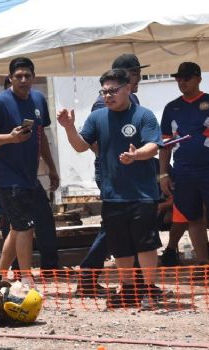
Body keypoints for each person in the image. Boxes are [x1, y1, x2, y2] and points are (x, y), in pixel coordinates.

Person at [57, 68, 163, 309]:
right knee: (120, 245)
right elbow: (81, 147)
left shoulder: (144, 115)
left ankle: (147, 289)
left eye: (113, 91)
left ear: (127, 88)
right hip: (112, 194)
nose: (108, 96)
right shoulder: (97, 118)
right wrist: (68, 127)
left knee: (146, 244)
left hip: (142, 194)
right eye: (104, 91)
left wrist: (137, 156)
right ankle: (127, 290)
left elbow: (153, 146)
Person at [77, 54, 147, 297]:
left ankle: (139, 282)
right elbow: (96, 140)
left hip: (133, 169)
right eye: (136, 73)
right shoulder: (103, 103)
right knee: (115, 226)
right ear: (125, 76)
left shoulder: (133, 99)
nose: (139, 77)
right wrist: (112, 160)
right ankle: (88, 274)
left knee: (131, 225)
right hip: (113, 171)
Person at [0, 57, 59, 281]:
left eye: (27, 75)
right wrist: (10, 138)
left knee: (19, 227)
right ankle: (26, 279)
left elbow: (41, 136)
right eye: (18, 76)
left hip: (30, 177)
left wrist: (51, 168)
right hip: (8, 178)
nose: (23, 80)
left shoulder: (38, 99)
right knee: (25, 226)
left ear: (34, 77)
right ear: (10, 78)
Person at [159, 62, 209, 266]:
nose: (181, 82)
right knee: (192, 217)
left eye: (186, 77)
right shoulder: (171, 108)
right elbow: (165, 145)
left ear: (198, 79)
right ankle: (203, 263)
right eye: (178, 78)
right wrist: (163, 174)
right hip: (184, 171)